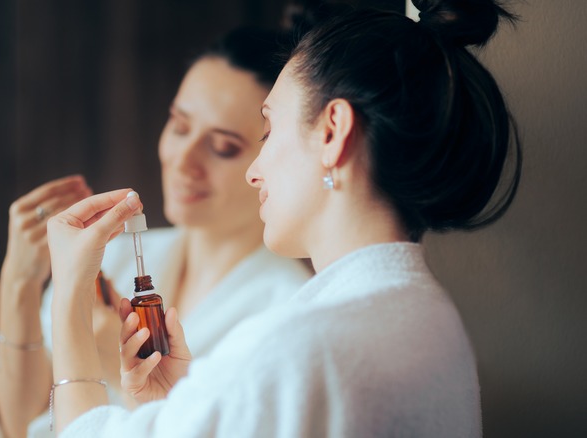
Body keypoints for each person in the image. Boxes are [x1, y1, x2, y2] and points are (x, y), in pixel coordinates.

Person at [44, 0, 522, 436]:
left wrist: (69, 294)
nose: (255, 171)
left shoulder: (295, 347)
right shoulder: (430, 319)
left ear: (332, 132)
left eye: (268, 130)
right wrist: (183, 405)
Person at [0, 26, 313, 437]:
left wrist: (117, 368)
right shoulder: (111, 255)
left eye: (223, 148)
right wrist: (19, 283)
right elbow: (17, 425)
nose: (183, 161)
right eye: (180, 127)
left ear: (268, 158)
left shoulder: (287, 312)